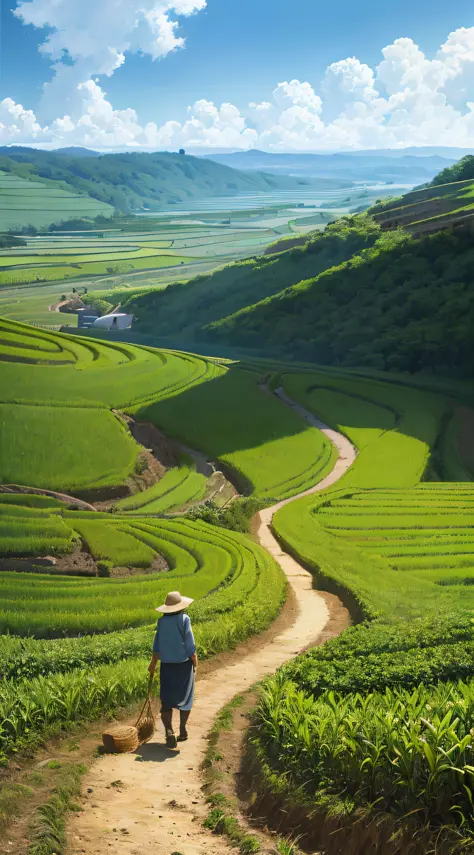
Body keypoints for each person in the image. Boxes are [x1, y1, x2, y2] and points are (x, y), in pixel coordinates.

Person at [148, 591, 197, 749]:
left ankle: (169, 731)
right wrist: (194, 659)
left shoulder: (161, 622)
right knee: (186, 699)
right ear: (180, 607)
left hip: (167, 666)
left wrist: (153, 663)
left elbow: (157, 644)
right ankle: (182, 729)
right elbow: (189, 643)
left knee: (167, 700)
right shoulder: (184, 619)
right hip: (183, 665)